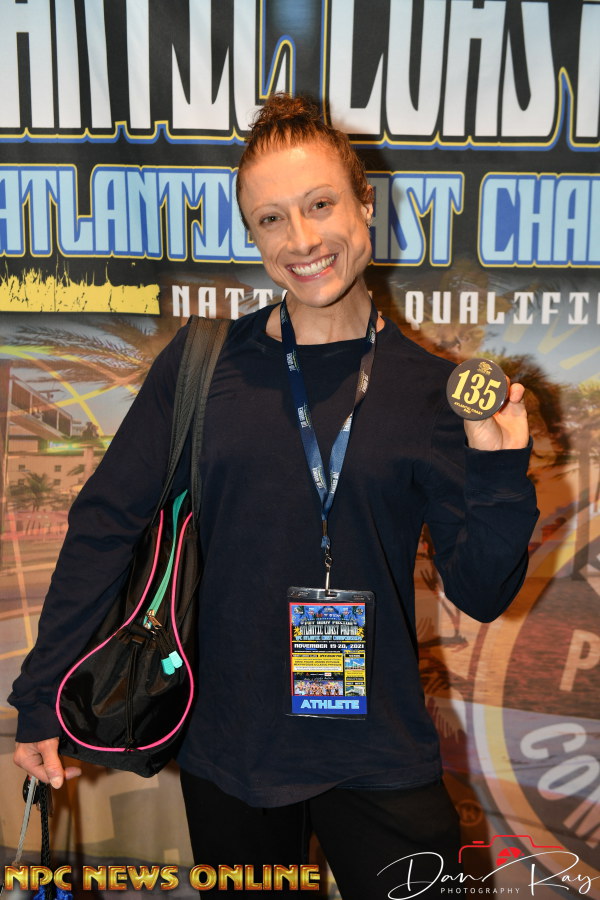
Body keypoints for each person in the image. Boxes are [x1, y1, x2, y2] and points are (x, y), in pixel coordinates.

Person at [10, 94, 538, 898]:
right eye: (271, 219)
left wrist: (499, 470)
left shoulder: (431, 391)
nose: (302, 240)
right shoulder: (202, 365)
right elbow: (104, 525)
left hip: (379, 753)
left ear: (365, 204)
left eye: (320, 205)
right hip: (233, 753)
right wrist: (42, 695)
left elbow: (483, 591)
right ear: (253, 235)